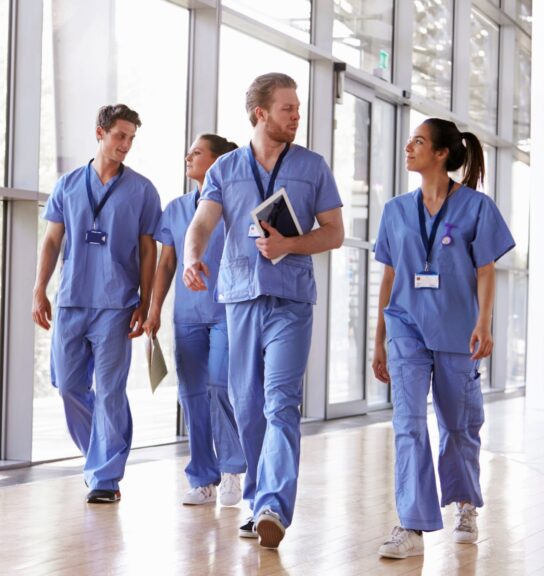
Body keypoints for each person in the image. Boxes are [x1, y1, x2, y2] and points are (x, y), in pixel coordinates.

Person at [182, 73, 344, 549]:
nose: (297, 116)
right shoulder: (225, 169)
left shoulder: (313, 167)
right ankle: (257, 502)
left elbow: (333, 231)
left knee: (280, 402)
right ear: (261, 114)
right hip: (239, 299)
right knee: (248, 406)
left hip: (291, 301)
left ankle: (273, 503)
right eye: (288, 109)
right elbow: (202, 223)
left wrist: (290, 244)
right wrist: (193, 258)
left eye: (297, 108)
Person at [371, 118, 515, 558]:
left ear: (441, 154)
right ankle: (411, 526)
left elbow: (486, 270)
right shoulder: (396, 210)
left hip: (457, 329)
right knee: (408, 424)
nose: (408, 146)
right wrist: (378, 339)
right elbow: (389, 275)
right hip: (406, 329)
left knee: (458, 425)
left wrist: (484, 323)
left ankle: (465, 503)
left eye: (418, 141)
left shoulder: (477, 207)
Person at [32, 103, 161, 504]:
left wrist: (145, 300)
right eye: (120, 136)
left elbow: (147, 250)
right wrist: (39, 289)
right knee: (69, 385)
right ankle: (98, 456)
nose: (126, 145)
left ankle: (105, 476)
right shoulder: (68, 185)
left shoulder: (142, 190)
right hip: (71, 300)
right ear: (100, 133)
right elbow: (53, 240)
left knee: (109, 391)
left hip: (116, 304)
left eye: (131, 139)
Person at [143, 134, 246, 507]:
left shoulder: (235, 206)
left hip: (226, 311)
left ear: (219, 162)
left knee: (220, 386)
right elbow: (166, 262)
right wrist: (154, 309)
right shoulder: (175, 208)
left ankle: (233, 468)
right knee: (192, 396)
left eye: (198, 152)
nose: (189, 156)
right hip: (186, 316)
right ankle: (203, 477)